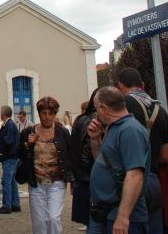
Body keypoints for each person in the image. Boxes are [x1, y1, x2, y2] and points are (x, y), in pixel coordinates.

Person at [87, 86, 150, 234]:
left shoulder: (130, 130)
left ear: (104, 108)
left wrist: (123, 217)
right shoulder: (114, 128)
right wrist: (95, 141)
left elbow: (135, 175)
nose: (96, 114)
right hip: (104, 212)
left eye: (96, 109)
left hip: (122, 216)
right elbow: (104, 162)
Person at [117, 67, 168, 234]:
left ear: (120, 86)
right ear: (143, 85)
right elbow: (166, 155)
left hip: (128, 180)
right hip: (154, 181)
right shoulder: (161, 111)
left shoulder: (122, 107)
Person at [19, 96, 72, 234]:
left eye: (51, 113)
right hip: (36, 183)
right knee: (39, 222)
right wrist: (27, 145)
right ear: (39, 113)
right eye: (44, 113)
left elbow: (70, 156)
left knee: (53, 218)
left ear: (55, 114)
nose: (47, 117)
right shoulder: (28, 132)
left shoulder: (63, 133)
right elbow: (18, 154)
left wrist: (73, 180)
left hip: (57, 183)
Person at [70, 92, 98, 231]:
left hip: (81, 176)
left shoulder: (80, 120)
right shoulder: (94, 121)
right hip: (90, 176)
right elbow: (86, 154)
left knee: (90, 221)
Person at [0, 105, 21, 214]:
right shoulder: (10, 124)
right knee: (12, 181)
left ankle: (7, 205)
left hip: (9, 156)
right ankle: (15, 204)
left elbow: (8, 141)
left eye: (1, 112)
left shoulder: (9, 125)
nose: (0, 113)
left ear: (4, 114)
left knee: (6, 181)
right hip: (12, 156)